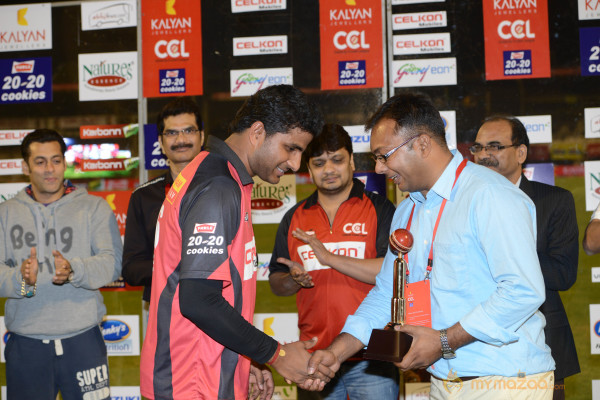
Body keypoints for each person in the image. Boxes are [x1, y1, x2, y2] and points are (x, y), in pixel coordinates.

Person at [307, 93, 555, 399]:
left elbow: (523, 291)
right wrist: (339, 350)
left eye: (384, 155)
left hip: (506, 382)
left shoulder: (489, 195)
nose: (380, 169)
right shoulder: (407, 210)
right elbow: (387, 291)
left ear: (422, 144)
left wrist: (444, 341)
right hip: (444, 381)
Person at [140, 85, 332, 400]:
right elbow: (198, 300)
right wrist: (276, 354)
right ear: (257, 132)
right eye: (291, 148)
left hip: (202, 372)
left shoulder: (220, 175)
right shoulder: (218, 186)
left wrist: (244, 358)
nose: (296, 164)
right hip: (193, 382)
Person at [269, 124, 398, 400]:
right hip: (313, 358)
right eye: (319, 163)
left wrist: (328, 258)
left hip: (372, 355)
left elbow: (392, 272)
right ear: (308, 168)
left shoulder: (379, 208)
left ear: (351, 160)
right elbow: (276, 284)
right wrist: (292, 280)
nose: (329, 169)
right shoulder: (294, 218)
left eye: (337, 160)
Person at [0, 129, 122, 400]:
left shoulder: (94, 208)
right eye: (40, 162)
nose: (49, 169)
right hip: (26, 346)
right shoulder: (5, 214)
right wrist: (21, 279)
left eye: (56, 160)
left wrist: (74, 271)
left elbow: (112, 263)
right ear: (25, 166)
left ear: (65, 162)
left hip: (84, 342)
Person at [473, 115, 580, 399]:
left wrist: (509, 249)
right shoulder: (461, 204)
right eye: (478, 147)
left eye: (494, 146)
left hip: (541, 347)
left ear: (521, 153)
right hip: (475, 346)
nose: (484, 155)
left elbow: (563, 274)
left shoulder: (555, 201)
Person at [122, 97, 204, 331]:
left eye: (189, 130)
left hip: (217, 307)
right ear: (160, 141)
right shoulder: (144, 197)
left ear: (202, 136)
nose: (181, 140)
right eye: (171, 133)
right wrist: (176, 267)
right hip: (162, 311)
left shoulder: (225, 189)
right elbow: (132, 269)